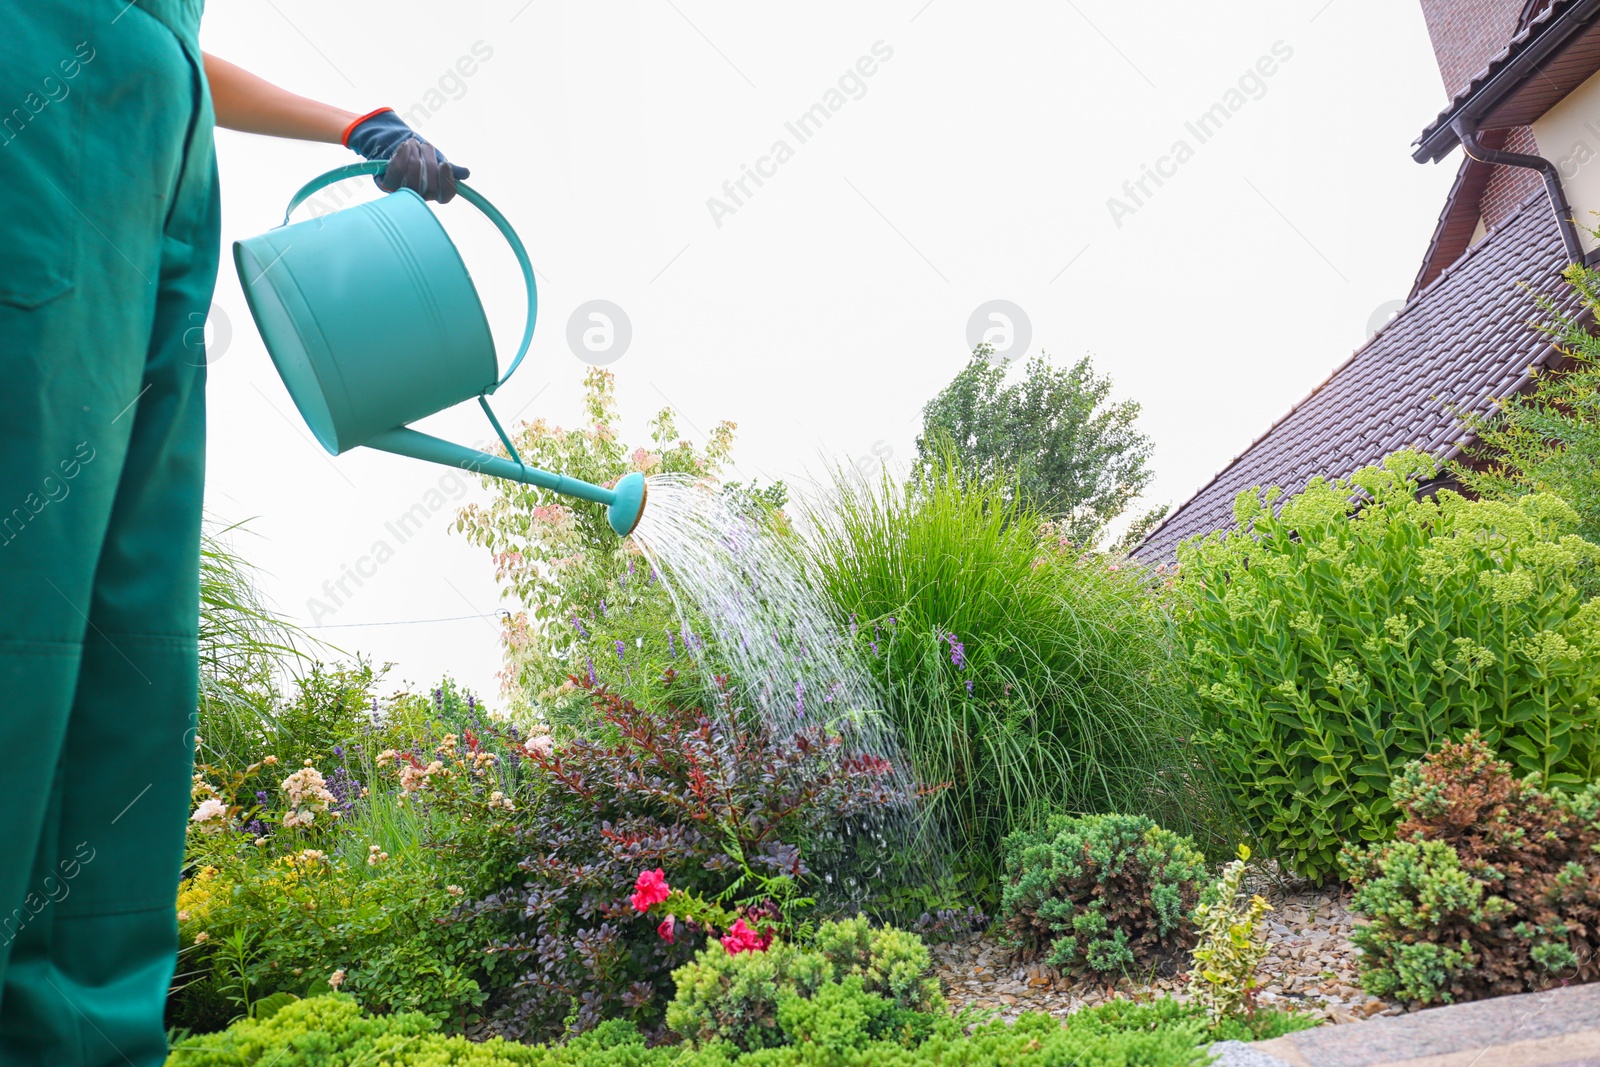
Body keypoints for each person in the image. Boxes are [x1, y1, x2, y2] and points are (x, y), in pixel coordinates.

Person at [0, 4, 466, 1064]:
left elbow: (147, 41)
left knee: (127, 670)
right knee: (20, 619)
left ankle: (83, 1041)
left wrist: (358, 125)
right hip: (35, 156)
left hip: (153, 190)